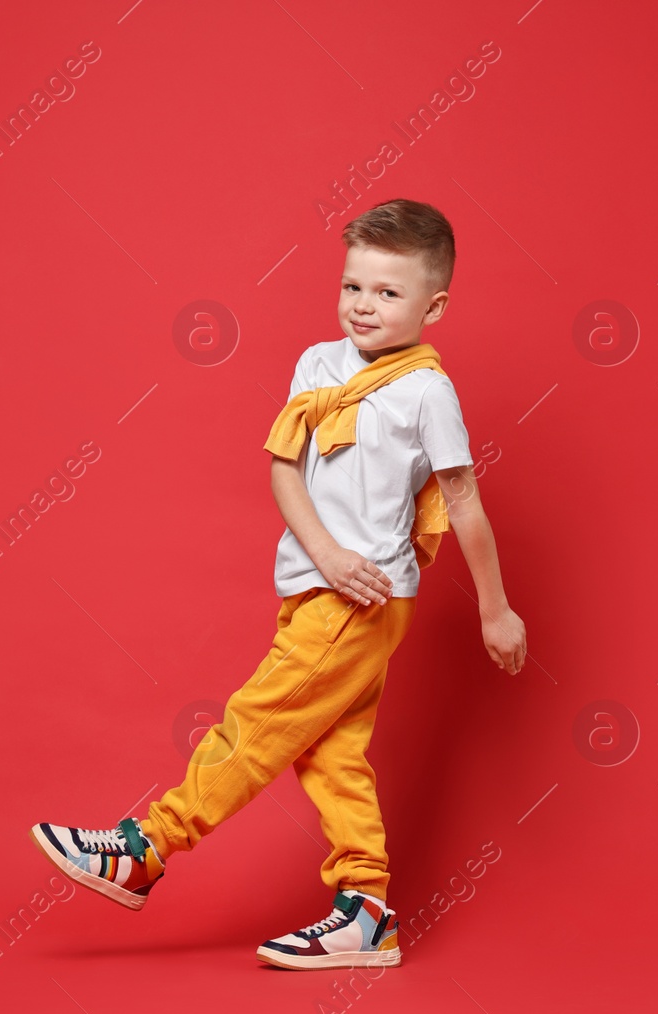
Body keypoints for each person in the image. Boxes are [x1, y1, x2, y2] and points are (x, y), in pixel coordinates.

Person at [31, 198, 526, 970]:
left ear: (434, 306)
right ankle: (367, 910)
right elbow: (282, 465)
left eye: (388, 293)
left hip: (365, 595)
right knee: (331, 751)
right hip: (314, 580)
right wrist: (322, 551)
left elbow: (462, 499)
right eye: (353, 285)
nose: (364, 304)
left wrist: (496, 610)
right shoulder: (317, 364)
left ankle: (146, 847)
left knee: (255, 720)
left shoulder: (427, 392)